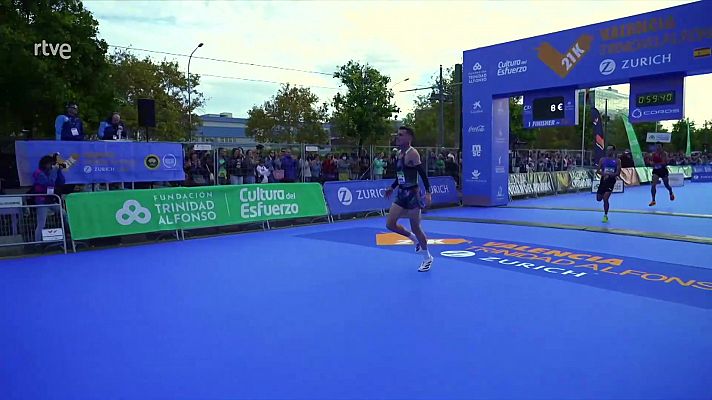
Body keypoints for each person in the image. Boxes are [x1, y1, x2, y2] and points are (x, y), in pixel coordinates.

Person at [384, 126, 433, 272]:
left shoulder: (413, 154)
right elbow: (400, 175)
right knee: (390, 224)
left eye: (401, 135)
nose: (398, 137)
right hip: (401, 193)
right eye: (397, 134)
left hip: (412, 195)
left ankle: (427, 257)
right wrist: (392, 187)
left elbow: (422, 174)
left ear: (409, 138)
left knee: (416, 227)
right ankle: (413, 239)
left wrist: (428, 192)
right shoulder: (399, 153)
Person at [31, 155, 66, 242]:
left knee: (64, 213)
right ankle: (37, 243)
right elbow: (50, 183)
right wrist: (54, 171)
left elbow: (61, 182)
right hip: (42, 201)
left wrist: (59, 171)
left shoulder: (51, 172)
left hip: (51, 200)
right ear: (45, 164)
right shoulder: (38, 173)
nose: (52, 166)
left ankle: (69, 233)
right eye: (51, 164)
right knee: (41, 223)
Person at [596, 145, 621, 223]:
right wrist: (604, 174)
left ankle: (605, 215)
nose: (608, 151)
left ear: (613, 151)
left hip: (611, 181)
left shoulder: (617, 161)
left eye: (610, 150)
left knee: (605, 198)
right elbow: (598, 170)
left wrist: (609, 175)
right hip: (603, 180)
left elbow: (618, 173)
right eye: (607, 150)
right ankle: (605, 212)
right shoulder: (602, 160)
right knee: (599, 198)